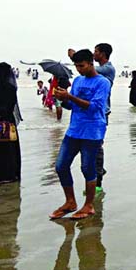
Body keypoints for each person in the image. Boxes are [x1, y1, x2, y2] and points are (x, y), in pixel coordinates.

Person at [49, 49, 111, 220]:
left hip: (93, 131)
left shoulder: (103, 82)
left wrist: (70, 96)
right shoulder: (77, 80)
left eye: (82, 66)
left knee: (87, 167)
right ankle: (70, 202)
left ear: (91, 63)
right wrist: (63, 99)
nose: (79, 69)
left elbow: (94, 107)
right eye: (76, 66)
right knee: (61, 166)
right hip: (74, 129)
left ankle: (88, 205)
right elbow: (72, 106)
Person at [68, 43, 115, 192]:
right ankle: (96, 172)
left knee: (96, 147)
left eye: (96, 52)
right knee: (89, 149)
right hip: (84, 113)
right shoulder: (83, 76)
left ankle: (98, 180)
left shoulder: (108, 68)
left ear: (103, 54)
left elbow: (90, 69)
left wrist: (75, 58)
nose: (94, 54)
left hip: (100, 112)